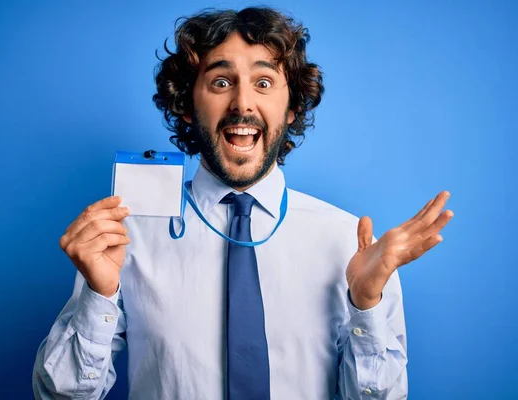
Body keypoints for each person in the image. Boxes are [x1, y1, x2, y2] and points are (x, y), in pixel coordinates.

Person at [33, 6, 453, 400]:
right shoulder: (126, 238)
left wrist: (365, 304)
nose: (242, 103)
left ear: (292, 108)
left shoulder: (351, 244)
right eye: (220, 82)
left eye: (264, 83)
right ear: (186, 106)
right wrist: (98, 295)